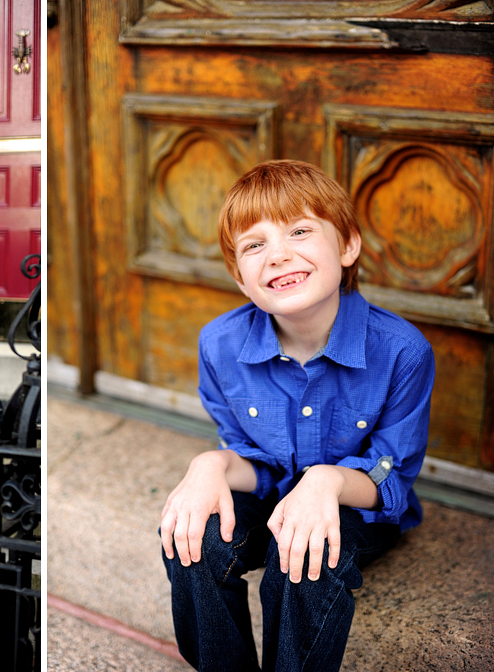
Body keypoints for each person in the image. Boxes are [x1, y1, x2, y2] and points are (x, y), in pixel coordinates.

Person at [160, 160, 435, 672]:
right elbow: (251, 457)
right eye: (254, 245)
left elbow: (390, 475)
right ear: (241, 279)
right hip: (268, 499)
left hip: (355, 509)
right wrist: (209, 467)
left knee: (304, 560)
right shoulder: (219, 344)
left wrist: (328, 482)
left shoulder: (402, 351)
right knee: (190, 535)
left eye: (301, 231)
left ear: (348, 245)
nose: (278, 254)